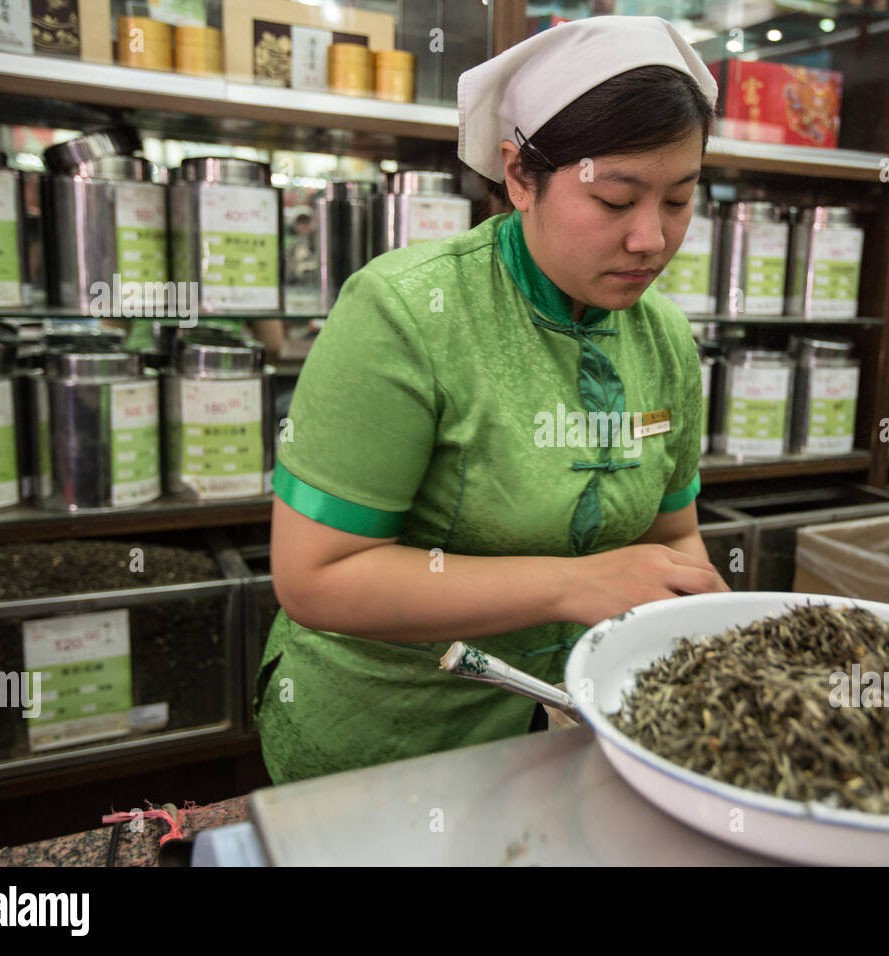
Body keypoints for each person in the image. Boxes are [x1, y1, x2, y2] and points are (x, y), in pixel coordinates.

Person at [255, 15, 730, 784]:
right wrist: (578, 584)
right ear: (519, 176)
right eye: (616, 200)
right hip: (386, 744)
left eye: (679, 201)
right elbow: (318, 577)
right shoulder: (404, 312)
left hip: (563, 737)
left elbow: (674, 538)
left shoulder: (663, 338)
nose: (652, 239)